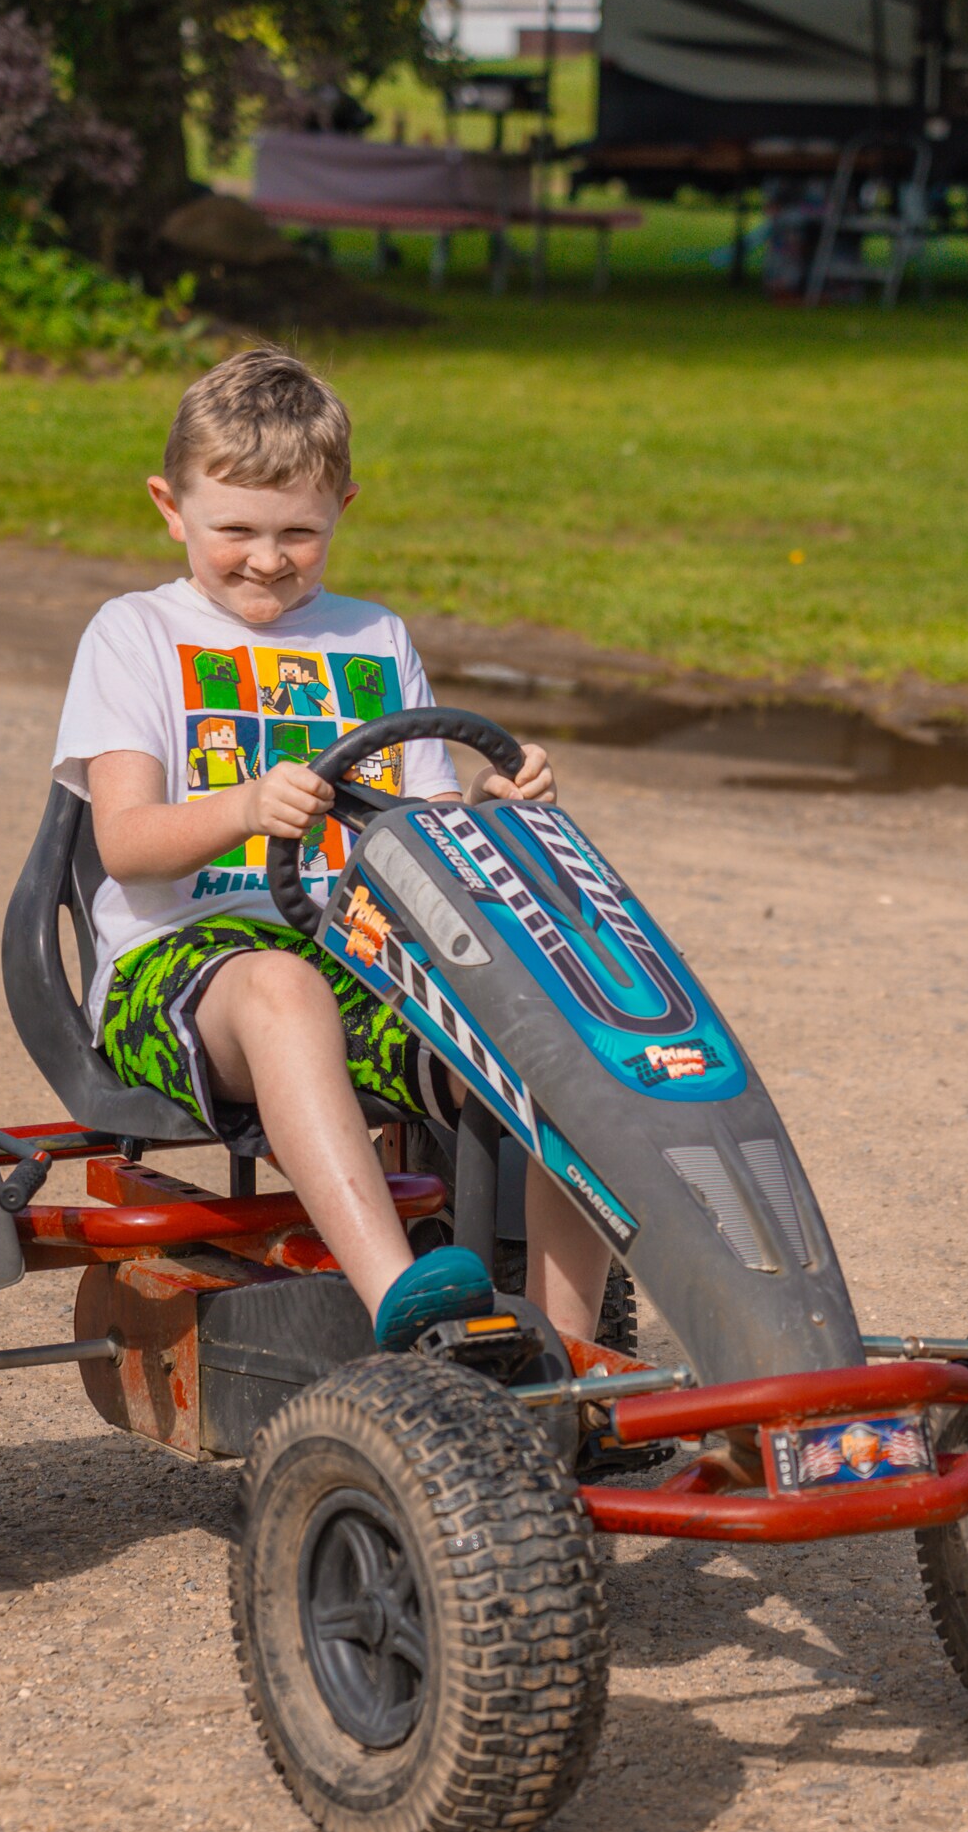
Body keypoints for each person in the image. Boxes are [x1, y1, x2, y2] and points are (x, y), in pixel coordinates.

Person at [51, 345, 613, 1351]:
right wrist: (244, 805)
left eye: (299, 533)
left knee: (551, 1034)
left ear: (342, 509)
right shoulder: (134, 635)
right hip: (174, 967)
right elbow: (126, 843)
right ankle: (401, 1298)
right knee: (284, 987)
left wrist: (492, 808)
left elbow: (424, 843)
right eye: (236, 531)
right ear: (170, 508)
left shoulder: (374, 637)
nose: (268, 560)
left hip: (358, 957)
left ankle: (567, 1358)